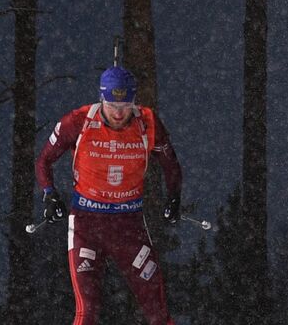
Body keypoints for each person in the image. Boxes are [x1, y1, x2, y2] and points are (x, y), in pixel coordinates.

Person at [36, 65, 183, 325]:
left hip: (128, 226)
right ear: (101, 98)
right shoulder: (79, 121)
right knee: (87, 310)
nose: (117, 113)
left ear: (134, 101)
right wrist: (49, 194)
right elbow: (44, 160)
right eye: (111, 104)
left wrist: (174, 198)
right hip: (86, 224)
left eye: (125, 105)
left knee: (156, 309)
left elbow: (170, 164)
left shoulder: (147, 123)